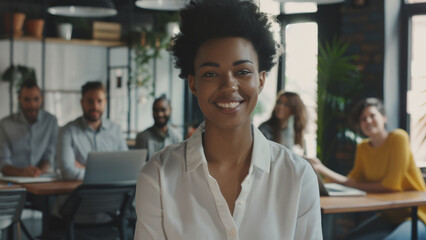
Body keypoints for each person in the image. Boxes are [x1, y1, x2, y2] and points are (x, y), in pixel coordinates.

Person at [134, 1, 322, 239]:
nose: (229, 86)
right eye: (211, 74)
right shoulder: (158, 177)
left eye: (242, 71)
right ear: (193, 83)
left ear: (261, 80)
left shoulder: (297, 177)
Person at [309, 98, 426, 239]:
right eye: (363, 119)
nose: (368, 121)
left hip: (417, 216)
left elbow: (391, 186)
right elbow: (351, 181)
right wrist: (320, 168)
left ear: (384, 118)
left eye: (372, 115)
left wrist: (357, 186)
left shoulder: (398, 138)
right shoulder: (363, 147)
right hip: (389, 216)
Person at [57, 81, 128, 180]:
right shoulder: (68, 131)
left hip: (113, 192)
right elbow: (68, 171)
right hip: (81, 192)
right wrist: (109, 173)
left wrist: (84, 169)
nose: (95, 106)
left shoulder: (116, 130)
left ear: (105, 102)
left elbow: (127, 167)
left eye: (99, 101)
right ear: (82, 102)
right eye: (90, 101)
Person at [0, 80, 58, 177]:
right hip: (15, 180)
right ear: (19, 99)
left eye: (36, 99)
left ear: (42, 99)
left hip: (41, 178)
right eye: (27, 100)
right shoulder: (5, 124)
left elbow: (50, 155)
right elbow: (3, 162)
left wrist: (37, 172)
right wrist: (23, 173)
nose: (32, 105)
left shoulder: (51, 122)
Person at [258, 90, 308, 155]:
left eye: (286, 104)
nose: (280, 106)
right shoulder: (265, 129)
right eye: (279, 102)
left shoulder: (297, 131)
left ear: (295, 109)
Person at [135, 95, 182, 160]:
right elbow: (139, 165)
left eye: (163, 110)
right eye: (156, 110)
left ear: (170, 110)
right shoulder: (142, 137)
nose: (159, 114)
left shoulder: (177, 137)